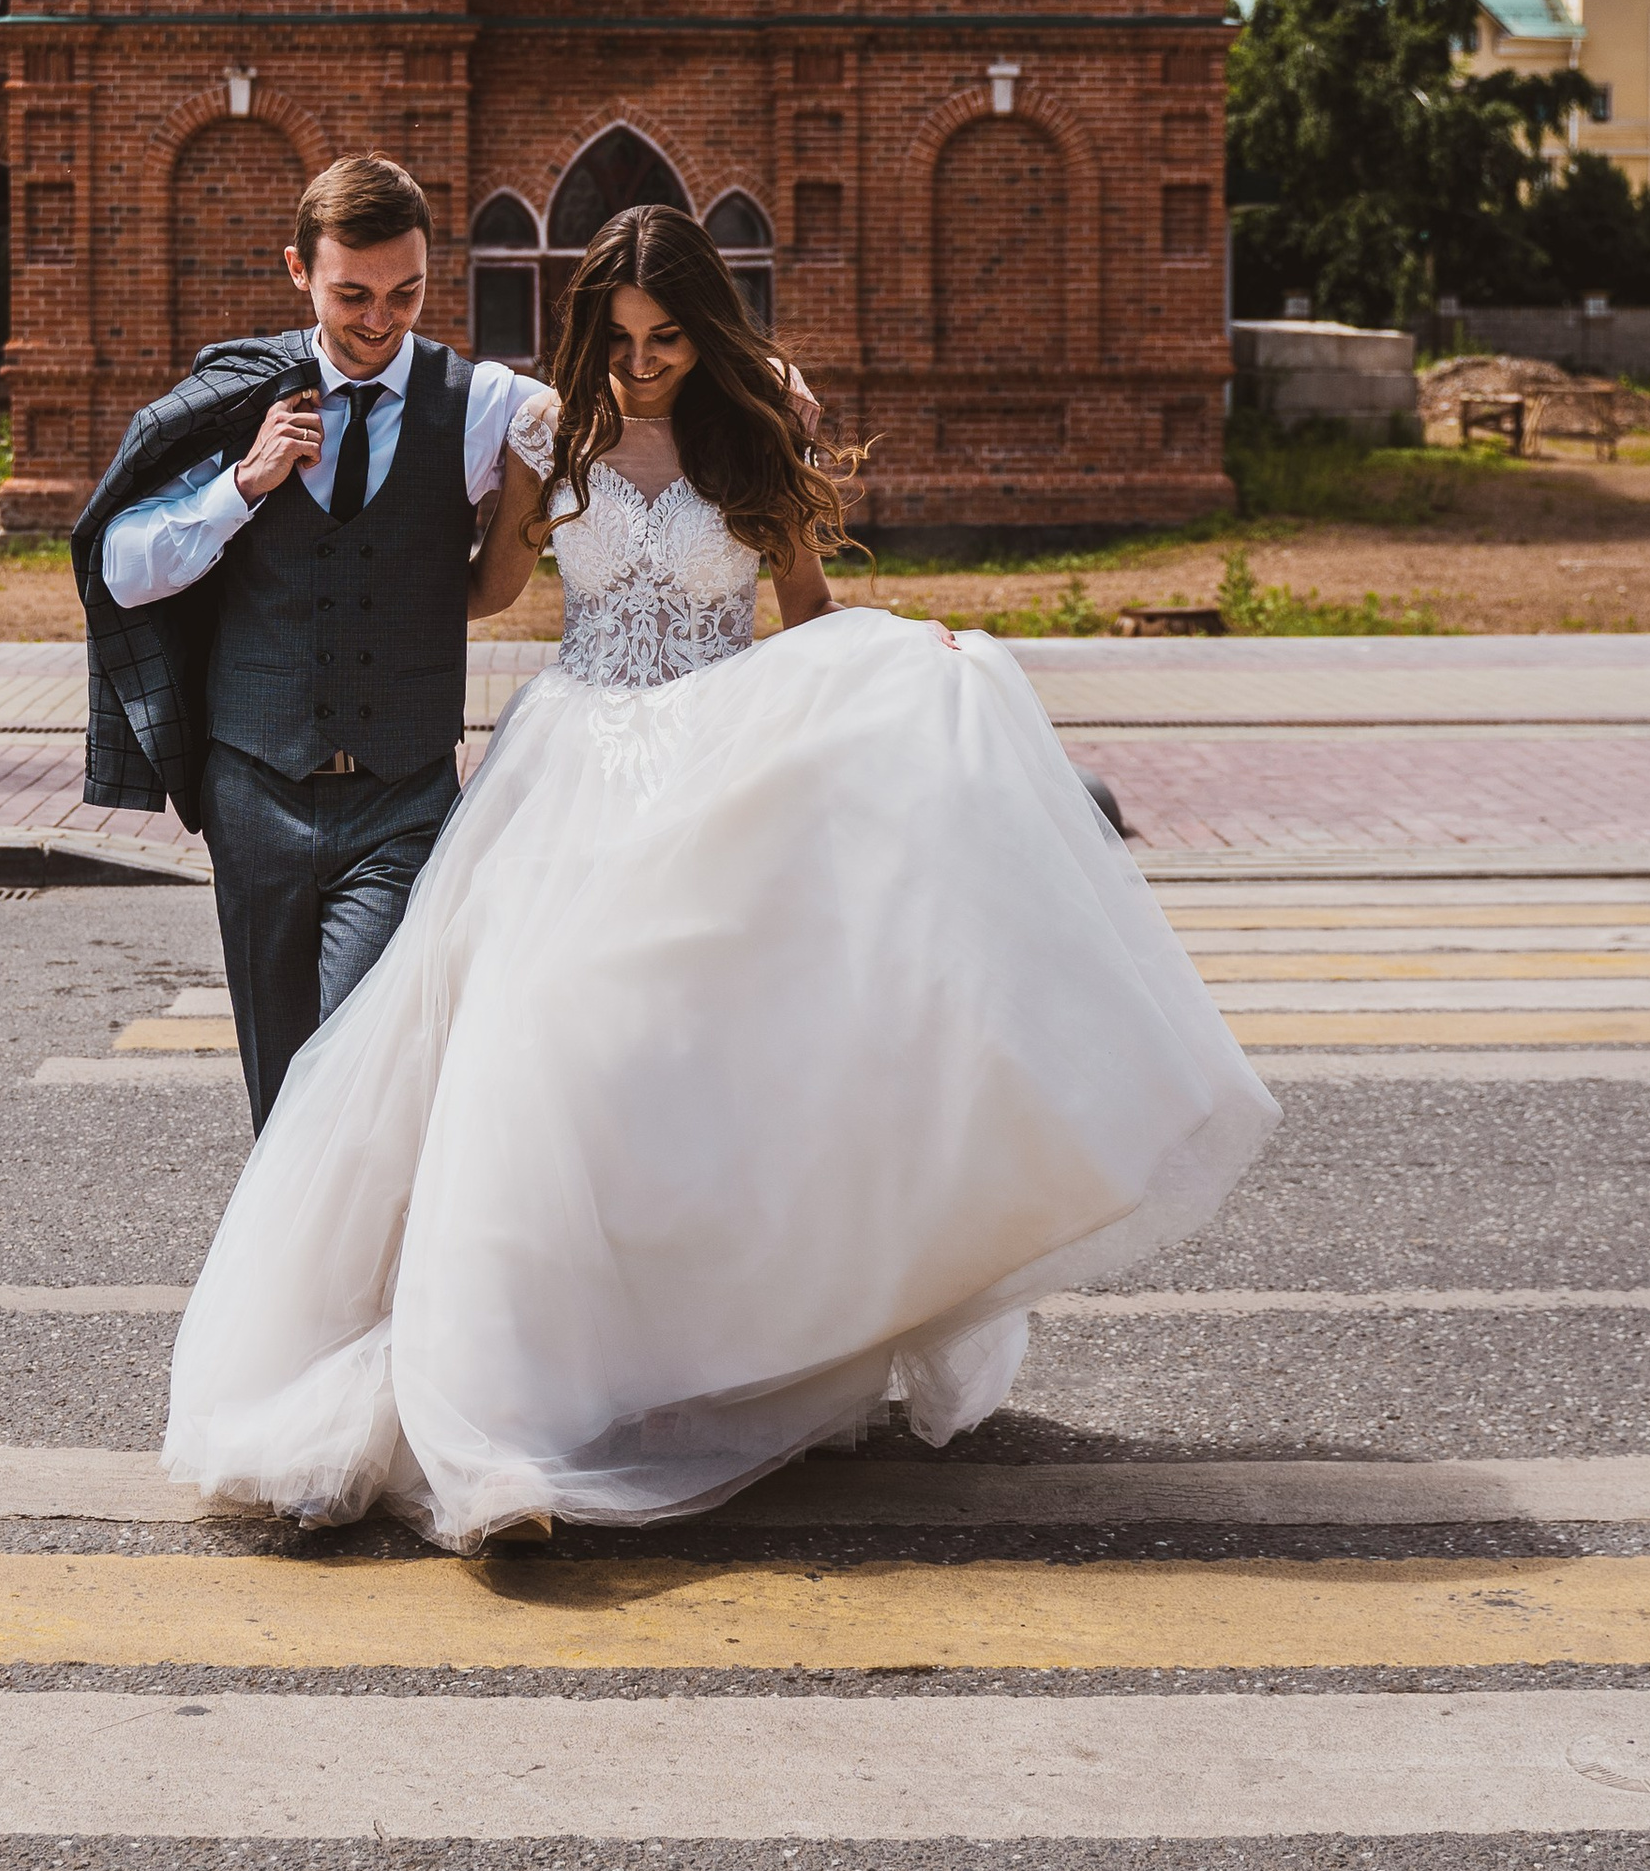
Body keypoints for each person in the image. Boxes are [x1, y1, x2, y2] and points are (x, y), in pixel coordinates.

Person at [161, 201, 1279, 1547]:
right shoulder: (545, 433)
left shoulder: (759, 425)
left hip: (720, 762)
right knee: (530, 1060)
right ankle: (507, 1417)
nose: (642, 364)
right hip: (567, 769)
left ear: (705, 328)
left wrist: (902, 671)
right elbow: (482, 586)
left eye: (669, 339)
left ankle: (690, 1358)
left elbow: (806, 616)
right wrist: (299, 603)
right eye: (622, 338)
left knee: (706, 1078)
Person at [75, 153, 543, 1126]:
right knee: (281, 1102)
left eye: (405, 293)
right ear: (299, 270)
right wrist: (238, 489)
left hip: (402, 804)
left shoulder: (480, 403)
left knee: (360, 1082)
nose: (379, 319)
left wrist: (767, 380)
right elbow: (120, 564)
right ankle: (295, 1283)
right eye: (352, 294)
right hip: (255, 802)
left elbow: (618, 409)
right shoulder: (239, 398)